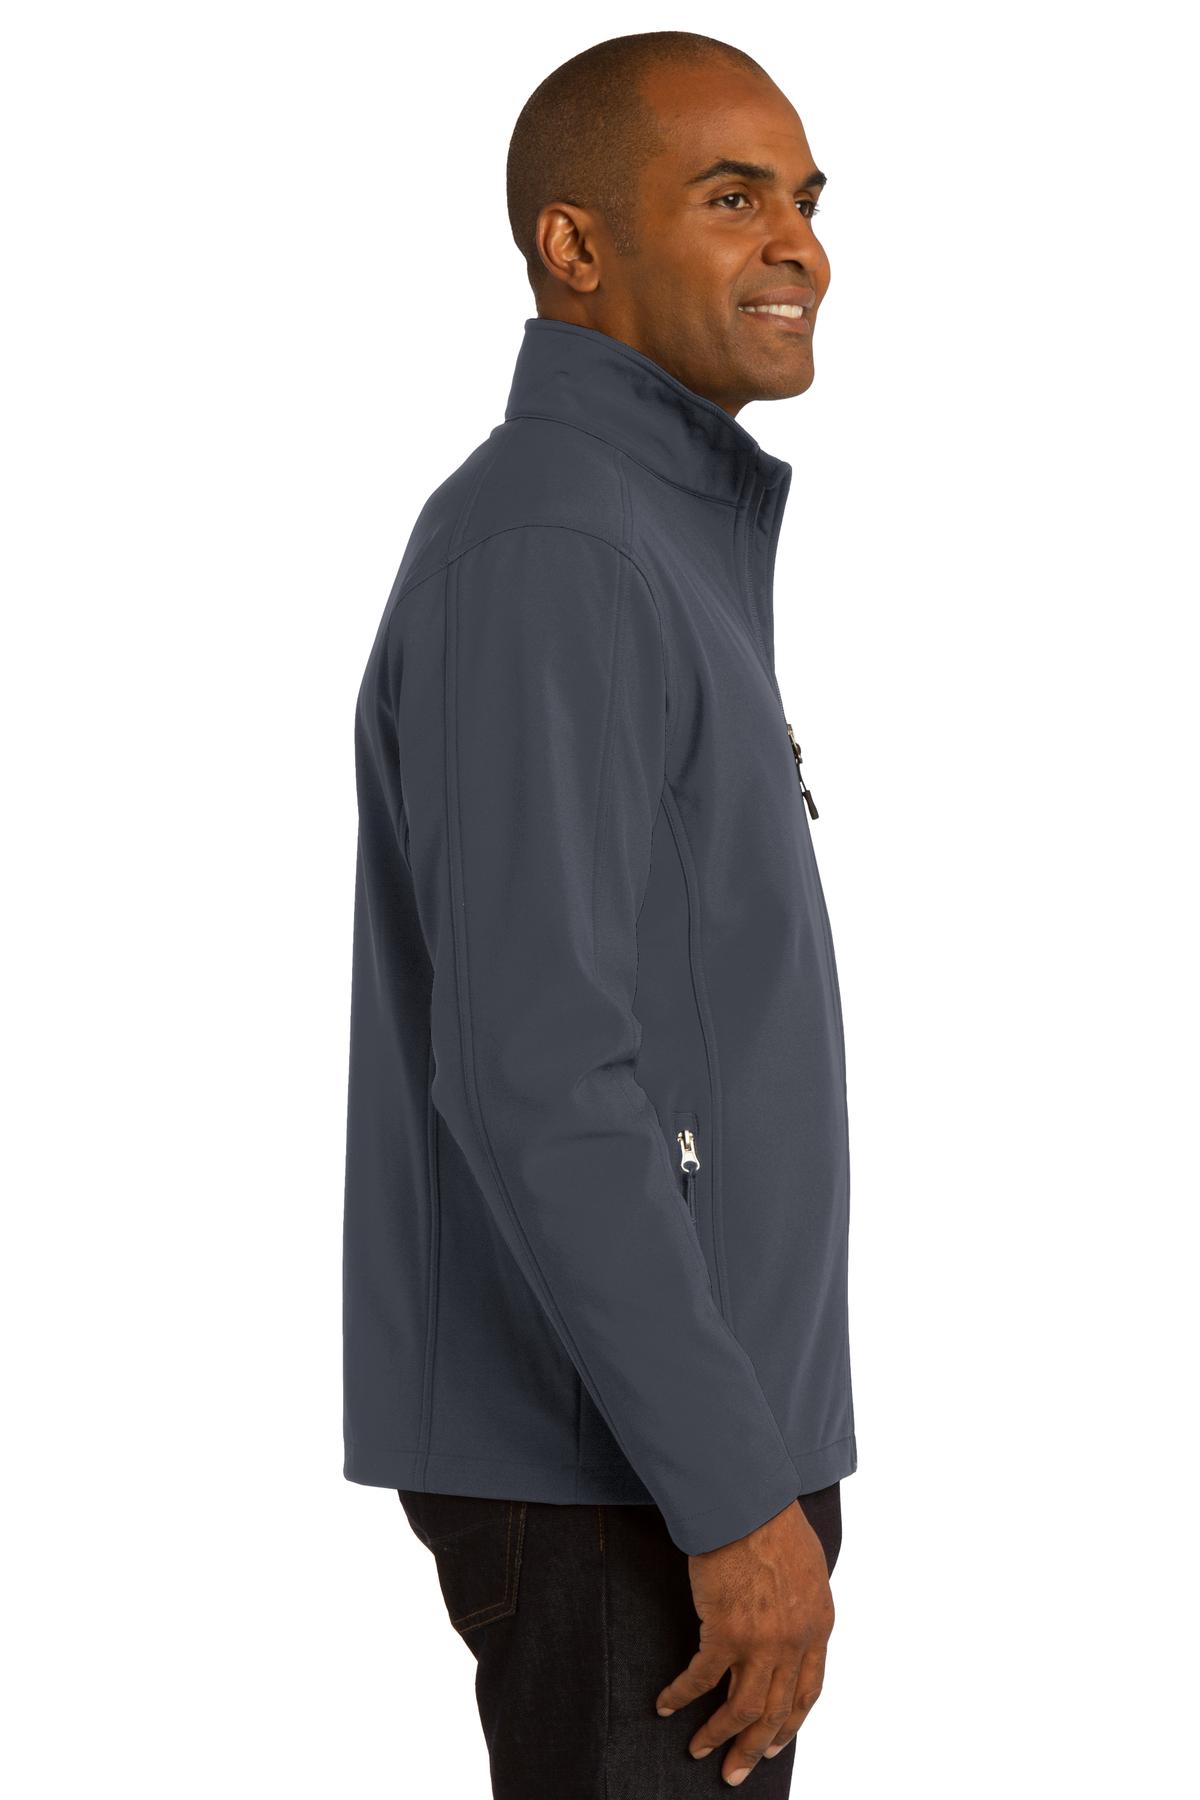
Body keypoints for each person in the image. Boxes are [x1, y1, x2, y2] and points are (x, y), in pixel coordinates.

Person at [342, 29, 856, 1796]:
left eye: (807, 201)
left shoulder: (647, 535)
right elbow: (539, 1074)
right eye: (734, 198)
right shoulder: (555, 546)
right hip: (624, 1475)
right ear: (574, 246)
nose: (801, 247)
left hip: (686, 1450)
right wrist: (732, 1494)